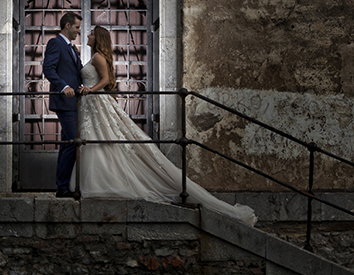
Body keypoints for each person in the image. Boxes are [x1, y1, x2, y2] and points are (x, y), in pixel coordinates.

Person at [74, 26, 257, 226]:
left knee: (102, 138)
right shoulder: (94, 56)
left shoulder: (99, 57)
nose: (88, 36)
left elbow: (106, 79)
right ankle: (101, 181)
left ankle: (104, 183)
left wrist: (90, 90)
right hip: (91, 105)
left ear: (98, 38)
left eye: (91, 33)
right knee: (96, 139)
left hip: (96, 102)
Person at [41, 12, 83, 198]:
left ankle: (62, 186)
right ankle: (63, 186)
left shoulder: (72, 48)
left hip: (74, 101)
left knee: (68, 142)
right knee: (73, 142)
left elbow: (75, 73)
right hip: (64, 101)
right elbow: (48, 69)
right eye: (76, 27)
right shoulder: (55, 43)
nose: (78, 32)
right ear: (67, 25)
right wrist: (64, 86)